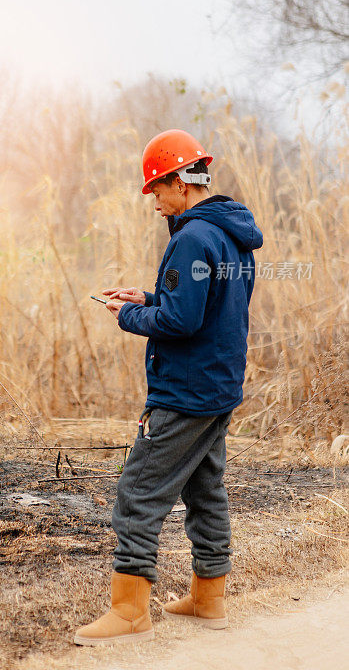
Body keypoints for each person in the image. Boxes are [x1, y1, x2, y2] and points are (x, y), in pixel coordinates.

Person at [74, 129, 263, 646]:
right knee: (205, 490)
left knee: (138, 491)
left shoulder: (191, 238)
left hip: (185, 392)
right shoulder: (230, 235)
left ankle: (130, 610)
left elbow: (179, 322)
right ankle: (209, 599)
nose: (155, 203)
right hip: (219, 387)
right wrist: (150, 295)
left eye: (156, 190)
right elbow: (209, 303)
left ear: (181, 182)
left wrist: (128, 312)